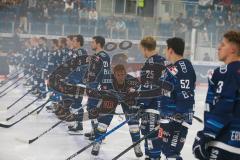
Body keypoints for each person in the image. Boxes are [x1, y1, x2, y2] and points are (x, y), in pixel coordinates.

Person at [192, 30, 240, 160]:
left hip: (224, 143)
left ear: (233, 49)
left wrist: (205, 135)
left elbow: (224, 105)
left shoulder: (225, 72)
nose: (218, 47)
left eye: (223, 44)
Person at [158, 37, 196, 160]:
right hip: (168, 116)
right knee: (167, 150)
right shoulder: (174, 67)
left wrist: (179, 114)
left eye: (166, 49)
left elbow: (185, 93)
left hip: (175, 117)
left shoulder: (181, 67)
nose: (165, 51)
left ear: (170, 50)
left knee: (171, 152)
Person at [83, 36, 113, 155]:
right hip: (93, 87)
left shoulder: (103, 56)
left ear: (98, 44)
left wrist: (102, 87)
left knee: (94, 110)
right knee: (91, 108)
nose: (91, 43)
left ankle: (98, 133)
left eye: (93, 42)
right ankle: (94, 131)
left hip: (99, 88)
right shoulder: (95, 56)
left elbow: (105, 73)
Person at [138, 36, 166, 160]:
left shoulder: (149, 64)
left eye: (141, 49)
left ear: (145, 48)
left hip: (152, 108)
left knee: (150, 136)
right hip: (164, 108)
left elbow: (147, 88)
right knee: (155, 137)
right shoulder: (165, 61)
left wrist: (140, 105)